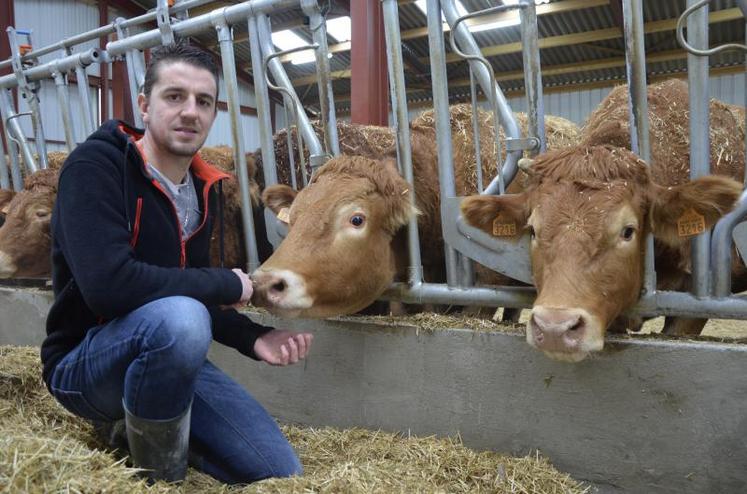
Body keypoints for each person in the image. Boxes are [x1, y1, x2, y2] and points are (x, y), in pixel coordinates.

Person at [40, 42, 312, 484]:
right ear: (145, 106)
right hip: (84, 365)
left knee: (277, 471)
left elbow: (184, 289)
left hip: (164, 360)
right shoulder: (94, 167)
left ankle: (132, 436)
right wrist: (226, 283)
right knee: (181, 319)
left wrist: (255, 337)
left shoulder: (201, 188)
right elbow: (109, 286)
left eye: (203, 101)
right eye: (175, 96)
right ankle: (160, 477)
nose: (191, 111)